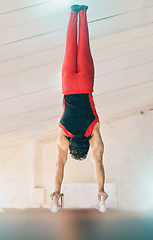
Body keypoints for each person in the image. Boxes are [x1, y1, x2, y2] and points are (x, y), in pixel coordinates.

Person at [50, 5, 108, 206]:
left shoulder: (93, 131)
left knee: (83, 45)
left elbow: (98, 163)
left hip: (85, 83)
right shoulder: (63, 136)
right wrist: (56, 191)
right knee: (69, 47)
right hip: (67, 84)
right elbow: (60, 165)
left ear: (87, 143)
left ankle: (81, 12)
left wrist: (102, 189)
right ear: (72, 144)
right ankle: (73, 13)